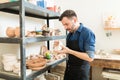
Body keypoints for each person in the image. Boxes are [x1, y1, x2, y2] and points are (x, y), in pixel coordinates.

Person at [56, 10, 96, 80]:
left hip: (81, 73)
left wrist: (69, 51)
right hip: (69, 70)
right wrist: (60, 48)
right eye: (63, 25)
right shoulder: (69, 35)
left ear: (74, 20)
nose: (65, 28)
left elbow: (90, 57)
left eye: (66, 24)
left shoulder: (87, 33)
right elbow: (68, 51)